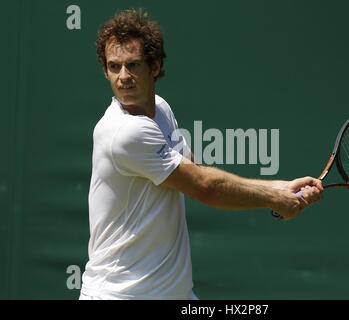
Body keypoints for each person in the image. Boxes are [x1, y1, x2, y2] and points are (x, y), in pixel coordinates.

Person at [80, 9, 323, 300]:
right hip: (120, 296)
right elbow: (204, 187)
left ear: (154, 66)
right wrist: (276, 199)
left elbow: (196, 171)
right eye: (114, 67)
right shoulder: (124, 133)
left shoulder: (161, 109)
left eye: (133, 65)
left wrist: (281, 187)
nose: (123, 77)